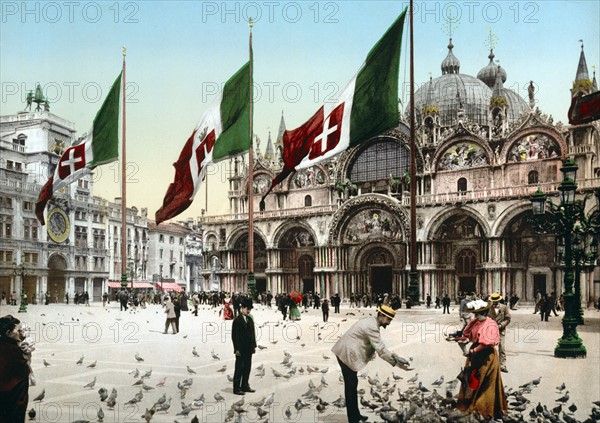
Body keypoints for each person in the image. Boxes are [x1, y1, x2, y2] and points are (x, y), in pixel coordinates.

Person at [332, 305, 405, 423]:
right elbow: (380, 349)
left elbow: (372, 344)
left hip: (346, 352)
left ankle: (355, 415)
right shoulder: (372, 326)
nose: (389, 323)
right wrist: (396, 362)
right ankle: (353, 419)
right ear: (381, 316)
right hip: (346, 354)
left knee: (352, 384)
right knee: (351, 386)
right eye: (389, 319)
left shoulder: (372, 322)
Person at [456, 300, 507, 419]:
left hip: (486, 356)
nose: (475, 316)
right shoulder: (476, 321)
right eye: (475, 313)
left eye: (477, 313)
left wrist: (472, 351)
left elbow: (486, 344)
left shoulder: (490, 324)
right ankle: (472, 406)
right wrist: (459, 339)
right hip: (475, 355)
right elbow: (466, 333)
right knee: (473, 381)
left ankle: (483, 411)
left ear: (484, 312)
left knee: (485, 383)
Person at [0, 315, 31, 423]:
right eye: (18, 330)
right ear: (8, 333)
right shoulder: (11, 350)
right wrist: (26, 356)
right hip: (12, 400)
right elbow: (23, 371)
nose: (21, 332)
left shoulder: (7, 345)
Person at [231, 298, 257, 395]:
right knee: (239, 368)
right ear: (242, 308)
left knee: (247, 367)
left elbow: (252, 334)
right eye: (247, 309)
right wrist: (236, 348)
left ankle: (245, 385)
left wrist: (254, 346)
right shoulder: (237, 320)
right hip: (240, 349)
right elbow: (234, 336)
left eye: (250, 309)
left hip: (248, 348)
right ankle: (236, 388)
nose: (249, 311)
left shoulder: (250, 319)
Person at [488, 293, 510, 373]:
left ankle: (502, 365)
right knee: (490, 348)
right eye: (493, 301)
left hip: (501, 330)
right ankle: (491, 365)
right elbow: (486, 318)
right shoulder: (489, 308)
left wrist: (501, 325)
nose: (495, 303)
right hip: (491, 331)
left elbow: (508, 319)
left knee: (502, 347)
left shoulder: (504, 307)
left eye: (496, 301)